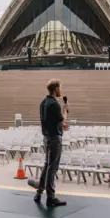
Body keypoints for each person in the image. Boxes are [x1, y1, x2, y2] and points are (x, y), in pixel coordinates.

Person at [28, 79, 68, 207]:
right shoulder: (55, 104)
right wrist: (65, 110)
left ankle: (39, 192)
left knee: (47, 165)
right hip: (54, 139)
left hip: (46, 138)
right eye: (60, 87)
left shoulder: (43, 103)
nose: (61, 90)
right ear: (56, 88)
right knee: (52, 168)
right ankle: (51, 197)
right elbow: (63, 123)